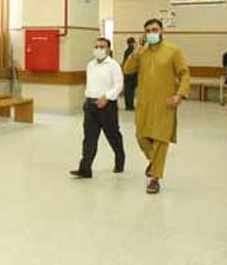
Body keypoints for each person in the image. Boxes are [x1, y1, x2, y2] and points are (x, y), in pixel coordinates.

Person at [123, 19, 190, 194]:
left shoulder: (173, 51)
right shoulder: (142, 52)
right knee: (141, 136)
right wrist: (136, 51)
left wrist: (179, 95)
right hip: (145, 103)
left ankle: (154, 178)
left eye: (154, 29)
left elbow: (184, 74)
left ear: (161, 31)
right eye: (148, 30)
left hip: (165, 103)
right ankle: (154, 162)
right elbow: (127, 70)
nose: (151, 33)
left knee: (160, 140)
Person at [70, 38, 125, 179]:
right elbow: (90, 84)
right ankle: (85, 168)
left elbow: (118, 85)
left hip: (107, 106)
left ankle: (120, 157)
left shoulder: (113, 66)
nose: (98, 49)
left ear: (108, 49)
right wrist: (87, 99)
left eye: (102, 47)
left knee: (112, 135)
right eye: (96, 46)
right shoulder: (90, 65)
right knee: (89, 138)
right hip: (91, 106)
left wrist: (106, 97)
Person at [123, 37, 138, 111]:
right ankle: (130, 105)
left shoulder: (126, 51)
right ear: (133, 42)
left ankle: (128, 105)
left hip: (127, 74)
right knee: (130, 91)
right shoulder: (134, 51)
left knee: (128, 90)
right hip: (133, 74)